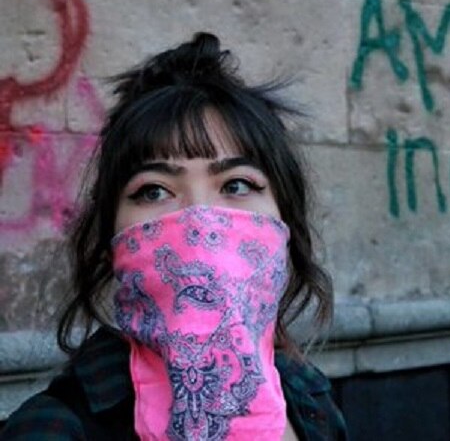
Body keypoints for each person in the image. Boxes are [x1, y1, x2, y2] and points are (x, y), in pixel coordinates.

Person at [0, 33, 347, 440]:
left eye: (236, 185)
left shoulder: (310, 399)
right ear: (113, 234)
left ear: (284, 221)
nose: (198, 222)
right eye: (154, 191)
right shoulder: (52, 430)